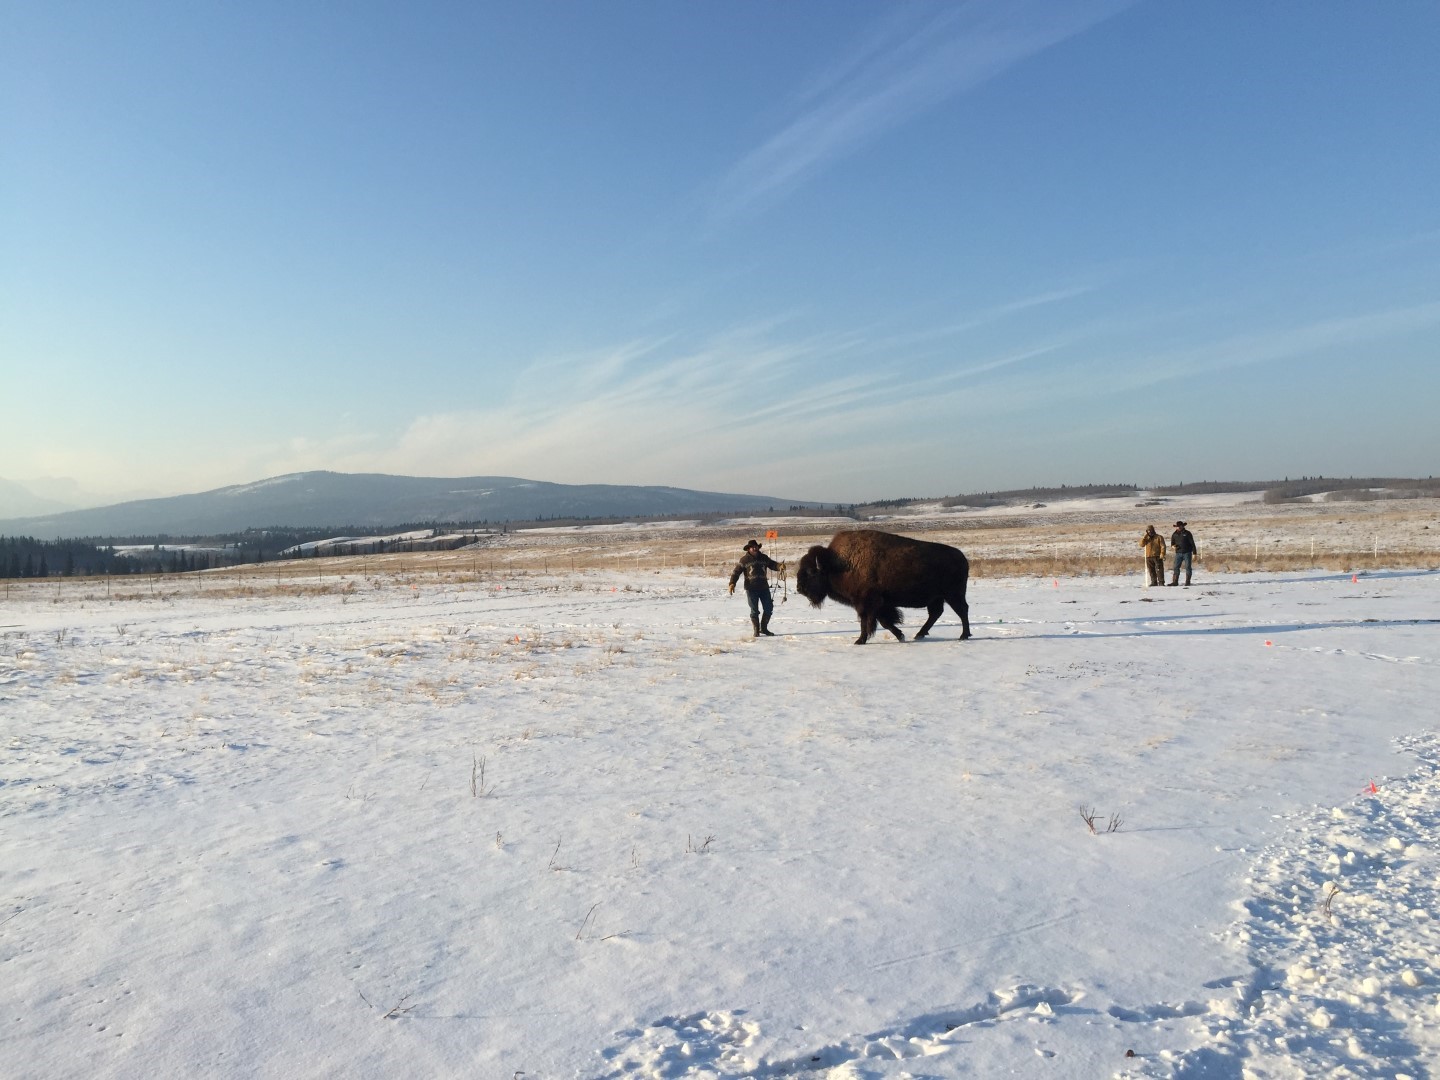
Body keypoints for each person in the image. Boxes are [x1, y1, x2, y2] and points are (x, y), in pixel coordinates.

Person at [728, 539, 784, 637]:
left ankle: (764, 629)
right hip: (751, 588)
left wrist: (780, 566)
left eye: (756, 546)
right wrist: (732, 583)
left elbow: (772, 565)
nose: (754, 548)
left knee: (768, 608)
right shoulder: (744, 560)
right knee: (754, 610)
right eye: (752, 547)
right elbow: (736, 572)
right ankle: (756, 630)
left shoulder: (764, 558)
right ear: (748, 549)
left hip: (764, 588)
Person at [1169, 521, 1198, 586]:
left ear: (1183, 526)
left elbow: (1192, 543)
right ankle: (1175, 582)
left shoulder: (1187, 533)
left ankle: (1187, 582)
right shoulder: (1174, 534)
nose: (1179, 527)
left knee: (1188, 567)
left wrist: (1194, 553)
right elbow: (1172, 543)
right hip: (1178, 553)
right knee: (1176, 567)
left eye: (1180, 526)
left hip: (1187, 553)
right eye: (1177, 526)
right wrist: (1173, 546)